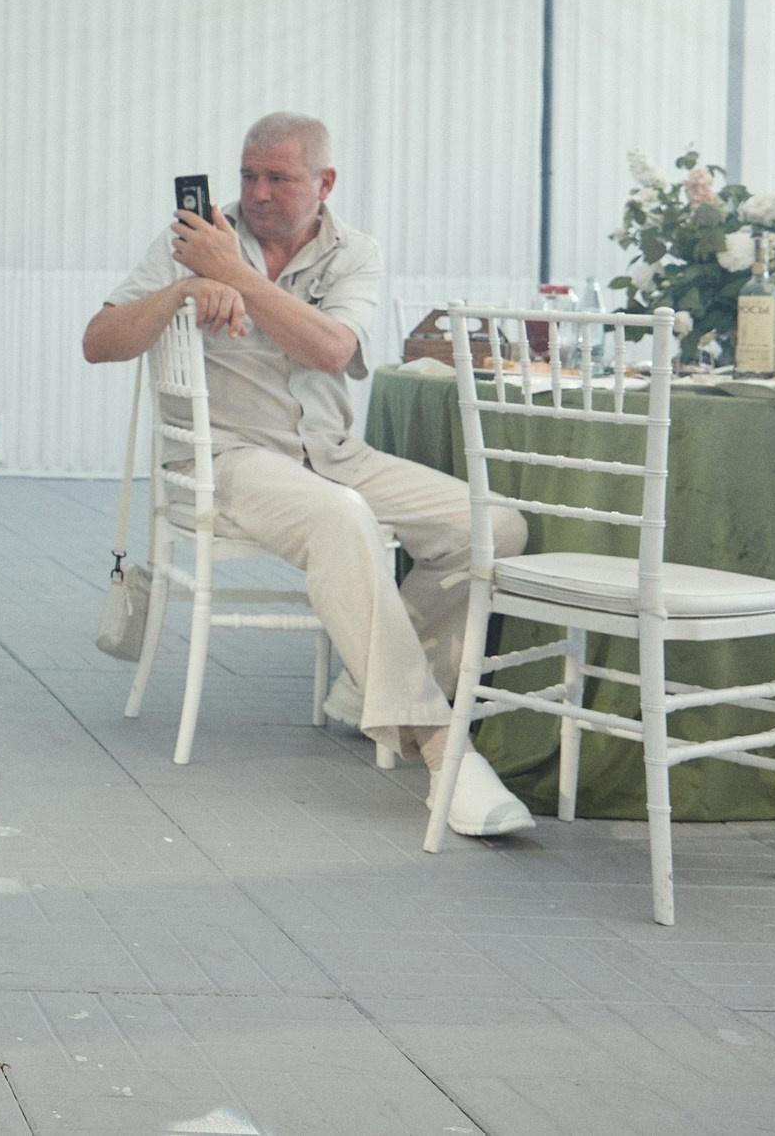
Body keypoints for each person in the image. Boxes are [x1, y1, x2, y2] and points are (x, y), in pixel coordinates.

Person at [81, 112, 533, 838]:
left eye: (278, 177)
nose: (255, 193)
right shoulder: (197, 241)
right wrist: (181, 293)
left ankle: (368, 683)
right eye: (248, 174)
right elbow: (97, 343)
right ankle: (442, 748)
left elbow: (330, 350)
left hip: (331, 452)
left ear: (323, 183)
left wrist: (238, 281)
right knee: (341, 517)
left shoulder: (354, 253)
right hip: (227, 459)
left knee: (495, 525)